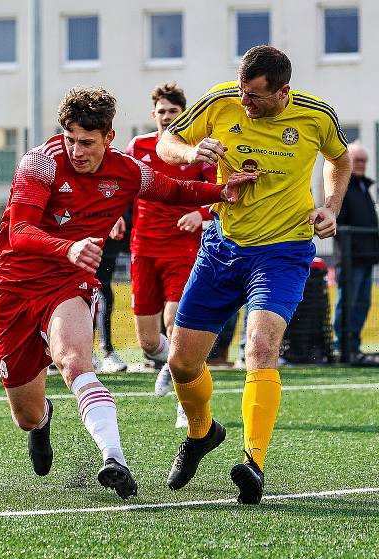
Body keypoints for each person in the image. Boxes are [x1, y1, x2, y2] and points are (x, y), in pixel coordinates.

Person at [0, 86, 254, 497]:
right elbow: (20, 232)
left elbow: (173, 190)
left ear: (108, 137)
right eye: (71, 139)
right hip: (13, 286)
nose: (77, 150)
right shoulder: (40, 163)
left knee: (74, 362)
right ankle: (42, 423)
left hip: (67, 283)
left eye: (87, 142)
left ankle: (115, 460)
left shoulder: (126, 169)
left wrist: (221, 191)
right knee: (26, 414)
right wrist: (70, 246)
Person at [156, 45, 352, 504]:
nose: (245, 103)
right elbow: (166, 142)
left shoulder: (316, 116)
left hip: (283, 251)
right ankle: (202, 433)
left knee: (260, 348)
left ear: (283, 91)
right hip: (223, 247)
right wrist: (189, 151)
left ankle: (253, 463)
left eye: (256, 98)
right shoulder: (221, 100)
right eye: (243, 94)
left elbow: (339, 161)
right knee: (181, 362)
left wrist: (331, 207)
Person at [124, 82, 218, 429]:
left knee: (174, 321)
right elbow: (123, 185)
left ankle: (186, 404)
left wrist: (202, 213)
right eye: (161, 112)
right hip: (143, 247)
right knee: (148, 342)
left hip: (182, 247)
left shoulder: (193, 150)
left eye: (173, 112)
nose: (166, 117)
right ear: (154, 115)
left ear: (183, 115)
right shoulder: (138, 146)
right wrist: (116, 217)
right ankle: (169, 363)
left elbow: (220, 191)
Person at [332, 143, 379, 363]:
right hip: (350, 259)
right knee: (348, 304)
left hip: (367, 258)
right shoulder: (342, 187)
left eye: (363, 161)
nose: (361, 165)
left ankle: (354, 347)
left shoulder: (363, 187)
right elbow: (338, 225)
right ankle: (343, 348)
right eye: (357, 160)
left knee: (362, 304)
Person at [94, 206, 131, 373]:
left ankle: (104, 350)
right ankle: (98, 351)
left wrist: (117, 213)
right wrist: (109, 215)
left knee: (103, 296)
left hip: (108, 247)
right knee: (94, 296)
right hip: (84, 241)